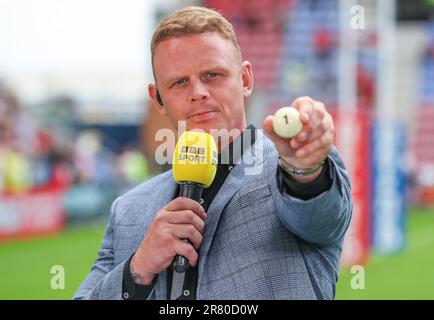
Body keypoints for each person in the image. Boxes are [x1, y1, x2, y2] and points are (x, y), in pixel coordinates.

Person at [74, 6, 352, 300]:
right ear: (158, 99)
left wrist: (304, 170)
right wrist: (138, 268)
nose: (198, 92)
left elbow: (318, 213)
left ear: (245, 80)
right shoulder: (127, 211)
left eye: (212, 75)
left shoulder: (288, 172)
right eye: (180, 82)